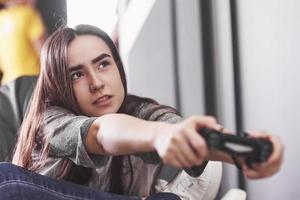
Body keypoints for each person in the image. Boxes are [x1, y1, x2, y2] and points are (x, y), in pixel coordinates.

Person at [7, 24, 283, 199]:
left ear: (118, 66)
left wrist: (244, 151)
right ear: (59, 85)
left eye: (103, 64)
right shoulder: (50, 118)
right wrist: (158, 136)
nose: (97, 83)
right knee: (7, 183)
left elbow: (188, 134)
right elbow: (102, 132)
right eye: (77, 74)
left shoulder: (140, 112)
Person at [0, 0, 45, 161]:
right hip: (31, 81)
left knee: (12, 141)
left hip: (5, 87)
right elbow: (43, 51)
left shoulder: (1, 19)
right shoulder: (28, 14)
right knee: (37, 134)